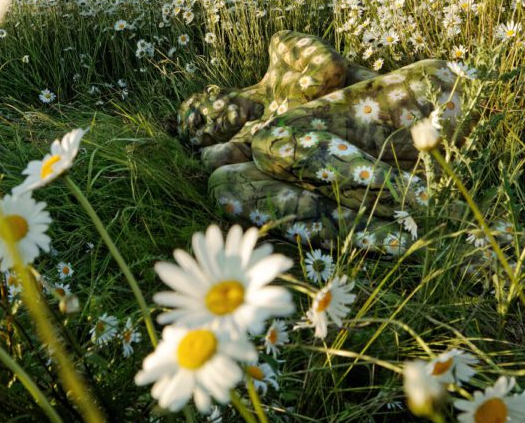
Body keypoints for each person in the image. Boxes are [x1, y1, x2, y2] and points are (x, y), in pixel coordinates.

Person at [178, 30, 465, 255]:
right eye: (200, 138)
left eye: (199, 119)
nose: (207, 131)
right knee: (224, 184)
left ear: (211, 91)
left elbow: (328, 69)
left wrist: (268, 130)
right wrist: (224, 150)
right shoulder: (255, 137)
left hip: (425, 104)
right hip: (407, 166)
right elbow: (221, 161)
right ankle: (417, 245)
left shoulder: (279, 52)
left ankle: (446, 212)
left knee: (272, 140)